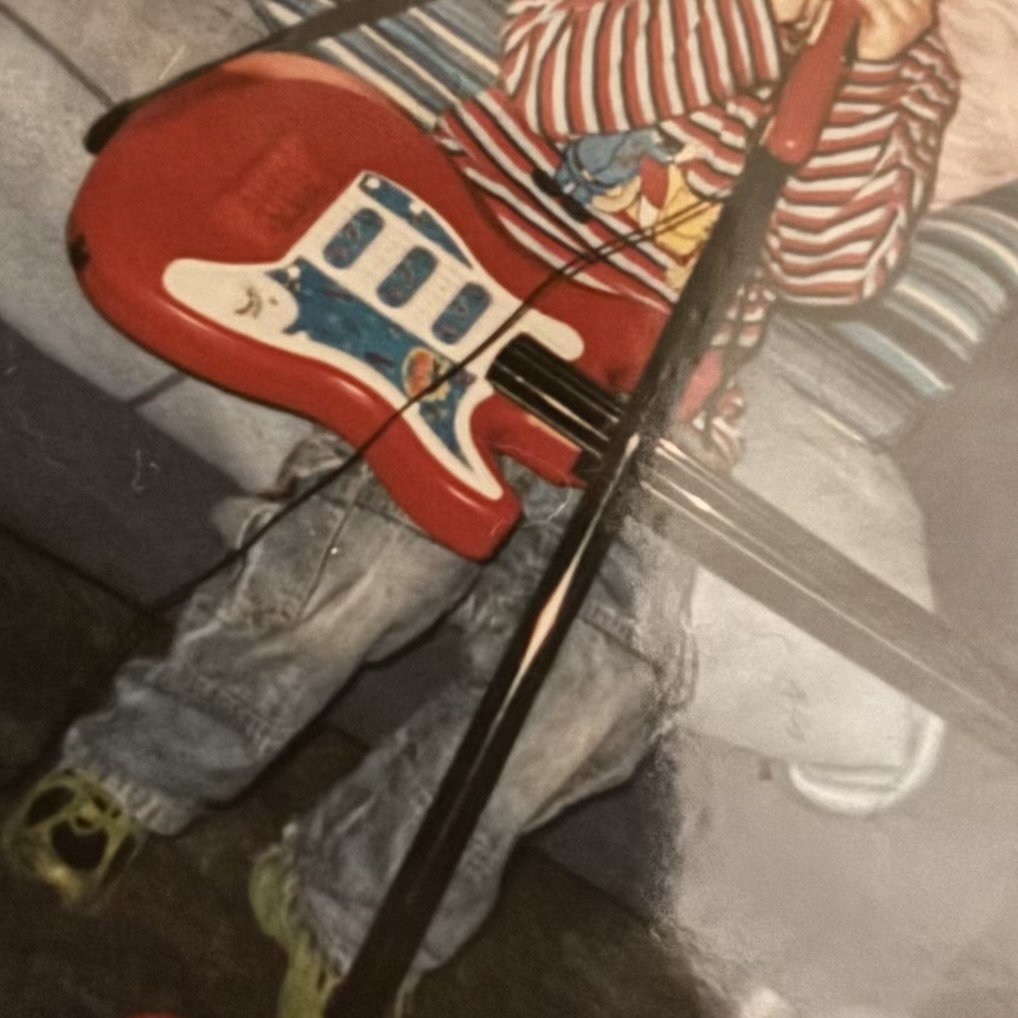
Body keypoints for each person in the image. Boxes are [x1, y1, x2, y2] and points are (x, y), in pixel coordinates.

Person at [1, 1, 957, 1015]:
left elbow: (834, 266)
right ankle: (134, 769)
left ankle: (348, 908)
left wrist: (868, 73)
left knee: (596, 687)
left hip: (639, 424)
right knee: (360, 568)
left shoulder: (906, 77)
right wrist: (756, 20)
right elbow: (555, 81)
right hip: (454, 329)